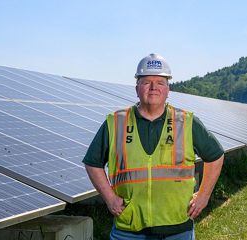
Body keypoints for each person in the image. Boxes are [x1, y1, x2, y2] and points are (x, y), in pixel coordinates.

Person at [83, 53, 224, 239]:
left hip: (178, 228)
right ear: (137, 88)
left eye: (160, 82)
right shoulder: (115, 122)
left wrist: (204, 196)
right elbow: (92, 163)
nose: (153, 87)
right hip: (129, 229)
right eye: (146, 82)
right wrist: (109, 198)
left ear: (168, 89)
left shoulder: (186, 121)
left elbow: (215, 156)